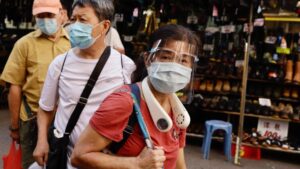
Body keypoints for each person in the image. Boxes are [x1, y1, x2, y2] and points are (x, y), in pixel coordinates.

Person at [71, 24, 200, 169]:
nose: (174, 67)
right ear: (148, 59)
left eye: (183, 60)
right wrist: (137, 164)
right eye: (165, 57)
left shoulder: (179, 114)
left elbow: (179, 165)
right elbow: (79, 156)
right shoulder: (124, 101)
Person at [33, 0, 135, 168]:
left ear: (104, 26)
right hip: (64, 157)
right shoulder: (60, 63)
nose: (75, 26)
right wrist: (42, 141)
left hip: (105, 159)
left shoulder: (125, 66)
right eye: (73, 20)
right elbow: (45, 108)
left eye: (83, 20)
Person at [0, 0, 70, 168]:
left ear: (62, 15)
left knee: (61, 163)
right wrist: (15, 126)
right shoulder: (24, 44)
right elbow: (14, 87)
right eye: (40, 16)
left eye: (50, 15)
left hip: (65, 120)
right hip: (31, 119)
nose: (45, 20)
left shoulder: (74, 44)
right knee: (32, 165)